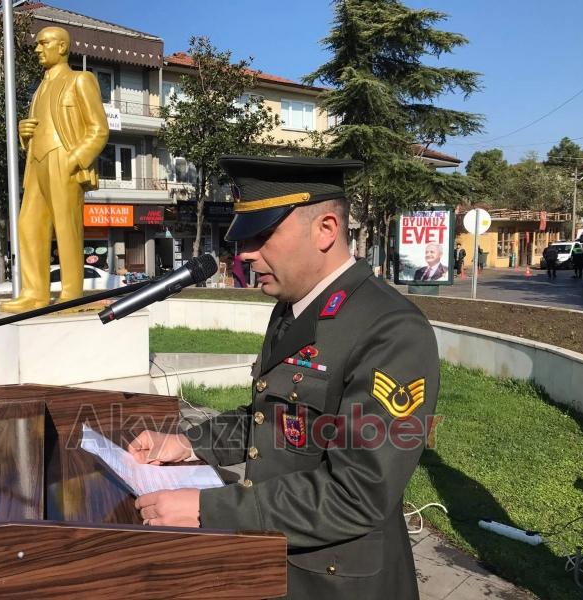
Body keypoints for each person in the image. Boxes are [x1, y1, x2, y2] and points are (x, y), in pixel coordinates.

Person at [127, 156, 439, 599]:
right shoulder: (293, 307)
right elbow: (271, 419)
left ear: (326, 229)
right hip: (275, 563)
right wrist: (187, 443)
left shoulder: (390, 329)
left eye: (262, 235)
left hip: (337, 582)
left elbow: (358, 492)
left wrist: (211, 508)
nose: (245, 254)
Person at [1, 26, 109, 313]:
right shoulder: (39, 89)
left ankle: (71, 293)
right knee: (28, 225)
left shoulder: (80, 80)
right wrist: (25, 134)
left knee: (66, 227)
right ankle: (35, 293)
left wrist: (74, 159)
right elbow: (41, 127)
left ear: (61, 47)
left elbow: (99, 129)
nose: (37, 49)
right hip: (36, 162)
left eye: (43, 43)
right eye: (37, 44)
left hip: (64, 160)